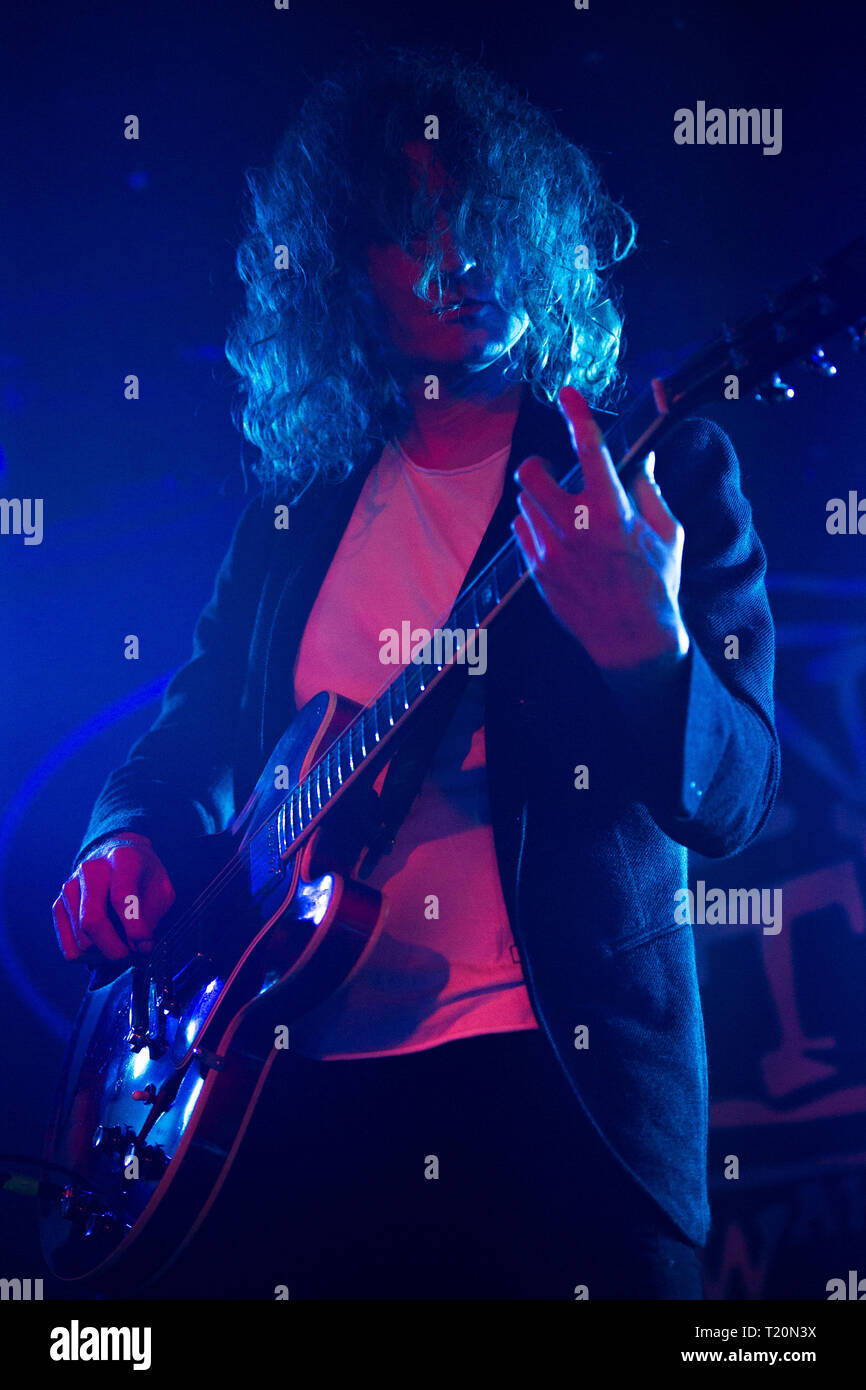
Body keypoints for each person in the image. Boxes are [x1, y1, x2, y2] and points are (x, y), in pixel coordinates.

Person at [51, 45, 779, 1299]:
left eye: (476, 208)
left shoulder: (650, 473)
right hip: (286, 1094)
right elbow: (189, 740)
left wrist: (645, 648)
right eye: (408, 221)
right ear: (338, 278)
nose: (457, 251)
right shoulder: (299, 515)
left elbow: (732, 798)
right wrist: (123, 837)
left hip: (555, 1094)